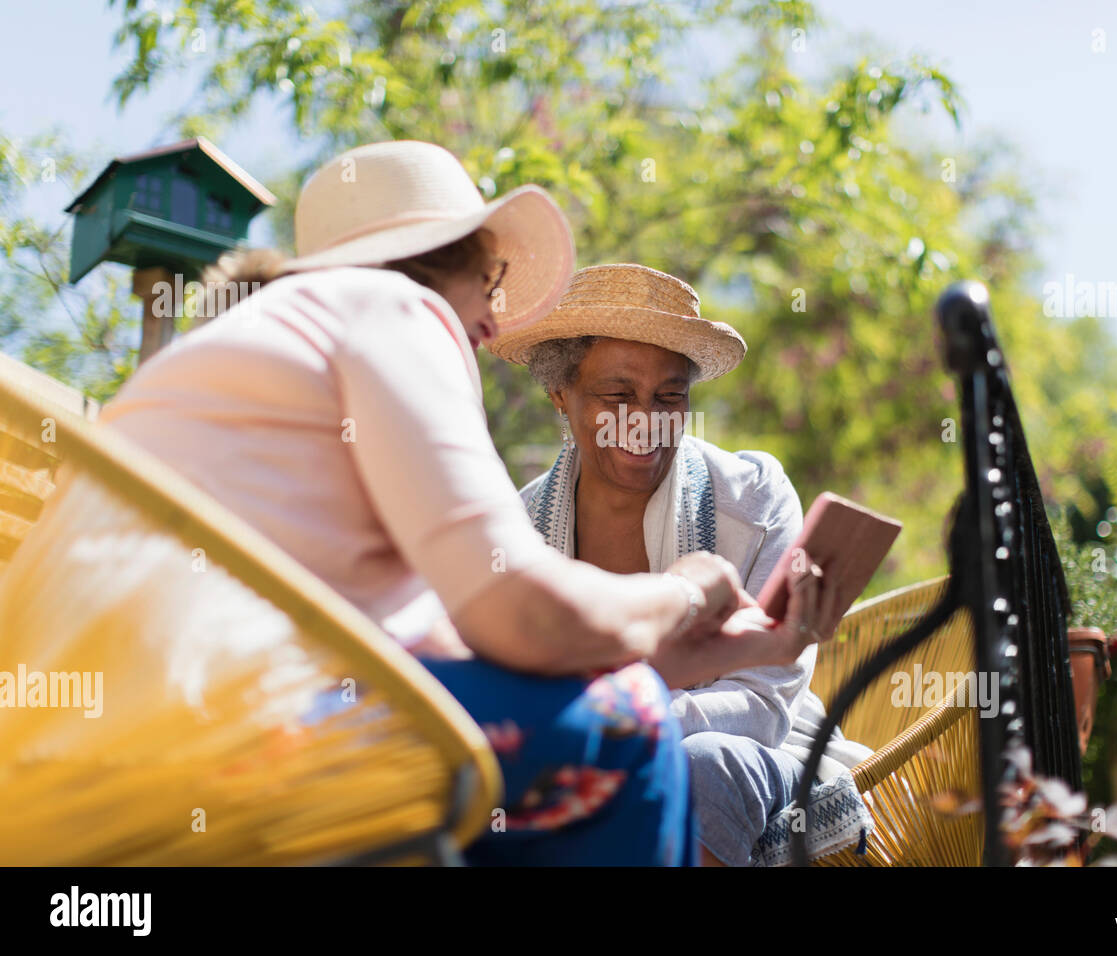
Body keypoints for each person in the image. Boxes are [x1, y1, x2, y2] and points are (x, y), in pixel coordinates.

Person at [97, 141, 838, 866]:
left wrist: (738, 648)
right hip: (254, 733)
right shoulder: (386, 308)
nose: (491, 324)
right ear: (429, 266)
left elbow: (461, 645)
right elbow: (524, 622)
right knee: (627, 724)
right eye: (490, 284)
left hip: (118, 744)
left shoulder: (248, 348)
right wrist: (679, 593)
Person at [488, 263, 874, 867]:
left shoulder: (752, 496)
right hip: (569, 761)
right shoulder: (519, 530)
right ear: (561, 395)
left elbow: (766, 704)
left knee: (703, 765)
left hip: (753, 758)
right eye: (617, 395)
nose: (644, 420)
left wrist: (620, 724)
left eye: (670, 397)